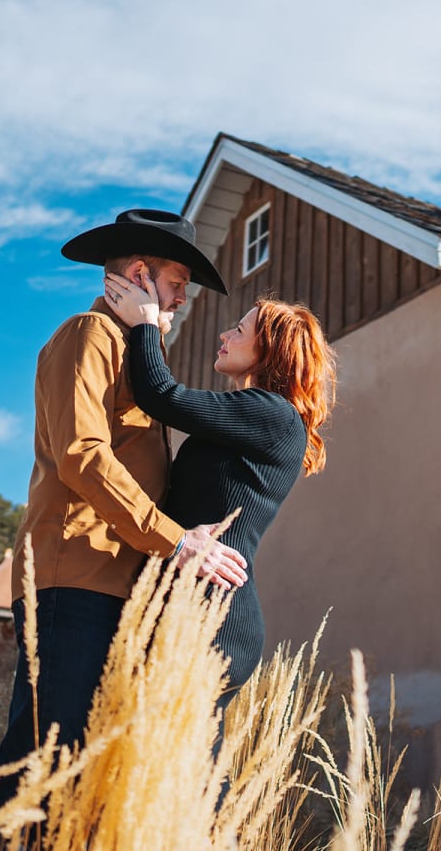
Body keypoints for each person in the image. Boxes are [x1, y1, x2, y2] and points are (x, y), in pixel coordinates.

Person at [0, 209, 249, 807]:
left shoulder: (134, 351)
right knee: (43, 771)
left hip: (111, 585)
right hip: (73, 577)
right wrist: (179, 541)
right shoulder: (89, 333)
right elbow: (82, 455)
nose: (183, 300)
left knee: (80, 780)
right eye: (178, 284)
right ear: (139, 273)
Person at [101, 269, 336, 703]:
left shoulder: (272, 414)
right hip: (196, 607)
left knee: (186, 769)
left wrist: (147, 324)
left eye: (241, 330)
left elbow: (162, 396)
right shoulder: (258, 417)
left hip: (213, 618)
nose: (225, 334)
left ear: (270, 350)